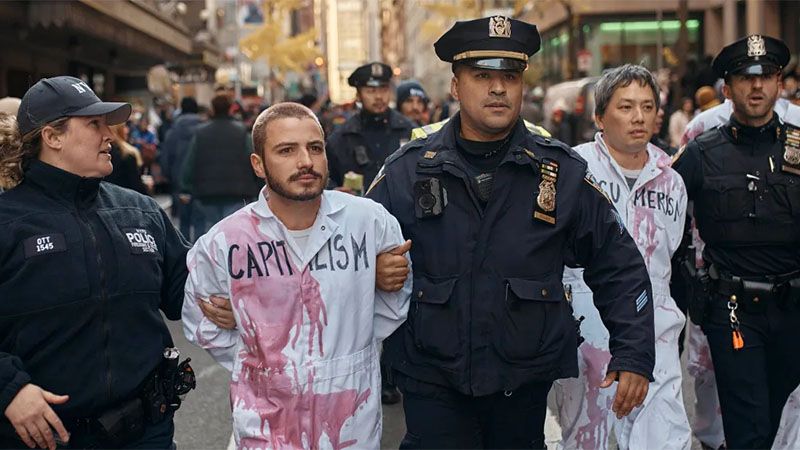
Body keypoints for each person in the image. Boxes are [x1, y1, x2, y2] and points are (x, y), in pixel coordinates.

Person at [367, 16, 655, 449]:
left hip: (521, 383)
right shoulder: (406, 171)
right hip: (432, 378)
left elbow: (619, 265)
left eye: (510, 76)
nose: (499, 88)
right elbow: (347, 255)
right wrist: (373, 271)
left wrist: (633, 353)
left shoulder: (561, 173)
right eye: (482, 76)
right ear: (456, 86)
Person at [0, 76, 226, 450]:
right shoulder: (8, 222)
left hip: (146, 433)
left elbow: (189, 290)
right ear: (52, 137)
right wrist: (10, 389)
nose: (110, 135)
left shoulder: (139, 211)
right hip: (45, 438)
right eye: (94, 124)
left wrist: (230, 292)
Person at [182, 102, 412, 449]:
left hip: (350, 426)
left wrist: (350, 334)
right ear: (258, 164)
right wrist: (259, 348)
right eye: (286, 150)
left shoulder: (369, 222)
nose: (305, 161)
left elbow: (394, 303)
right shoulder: (225, 241)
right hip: (265, 428)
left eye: (315, 148)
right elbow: (203, 322)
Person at [552, 64, 691, 450]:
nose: (639, 117)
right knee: (586, 439)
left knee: (665, 439)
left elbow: (671, 252)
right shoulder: (573, 171)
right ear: (600, 117)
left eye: (647, 107)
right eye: (626, 107)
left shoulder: (672, 180)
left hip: (655, 331)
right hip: (586, 328)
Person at [673, 34, 800, 449]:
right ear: (727, 88)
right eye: (746, 77)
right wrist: (686, 291)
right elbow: (667, 223)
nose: (757, 86)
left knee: (778, 422)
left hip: (793, 310)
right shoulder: (701, 152)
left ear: (779, 83)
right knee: (748, 428)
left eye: (766, 76)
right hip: (732, 311)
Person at [326, 62, 414, 193]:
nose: (379, 97)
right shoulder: (342, 138)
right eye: (371, 91)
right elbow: (326, 179)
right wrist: (335, 192)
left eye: (383, 89)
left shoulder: (409, 130)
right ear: (358, 95)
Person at [180, 94, 259, 237]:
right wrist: (258, 185)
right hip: (237, 192)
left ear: (213, 109)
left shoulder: (201, 133)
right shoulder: (241, 132)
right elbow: (252, 160)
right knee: (235, 234)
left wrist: (186, 187)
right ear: (230, 108)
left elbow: (190, 163)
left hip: (206, 194)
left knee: (211, 234)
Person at [161, 96, 203, 240]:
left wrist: (169, 176)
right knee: (200, 221)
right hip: (201, 182)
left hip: (178, 182)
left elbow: (166, 158)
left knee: (183, 221)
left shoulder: (172, 132)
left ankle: (185, 250)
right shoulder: (203, 130)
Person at [105, 124, 150, 195]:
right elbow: (136, 186)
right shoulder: (127, 154)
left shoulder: (104, 152)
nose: (127, 130)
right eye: (124, 127)